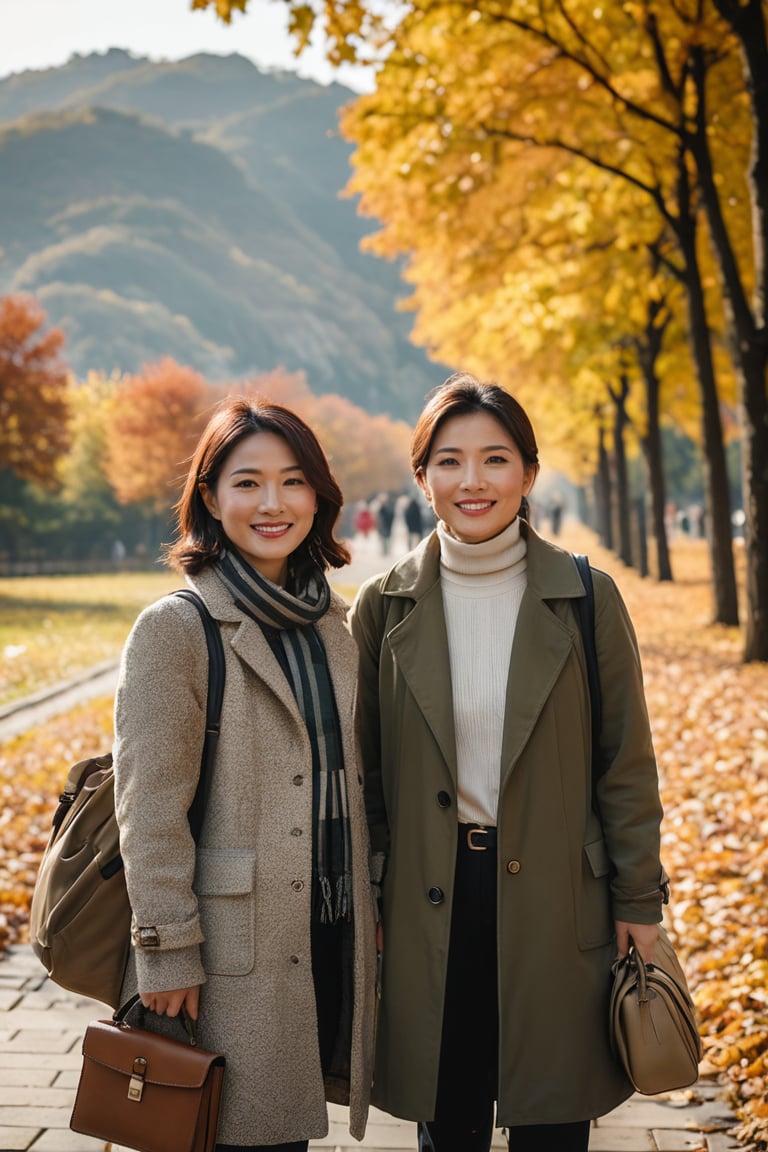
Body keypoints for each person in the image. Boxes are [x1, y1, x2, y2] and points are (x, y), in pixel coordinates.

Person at [349, 373, 667, 1152]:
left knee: (553, 1119)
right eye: (450, 461)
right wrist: (374, 893)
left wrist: (640, 902)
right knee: (447, 1120)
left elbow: (625, 765)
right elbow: (368, 777)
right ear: (422, 477)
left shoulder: (587, 596)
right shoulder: (382, 607)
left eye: (495, 460)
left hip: (561, 898)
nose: (473, 481)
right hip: (430, 896)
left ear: (528, 472)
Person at [113, 396, 376, 1152]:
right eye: (248, 482)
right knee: (232, 1134)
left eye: (293, 482)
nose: (272, 503)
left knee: (285, 1135)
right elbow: (148, 808)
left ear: (318, 497)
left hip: (325, 930)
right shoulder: (177, 628)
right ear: (210, 497)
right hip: (226, 948)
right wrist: (164, 951)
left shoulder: (335, 625)